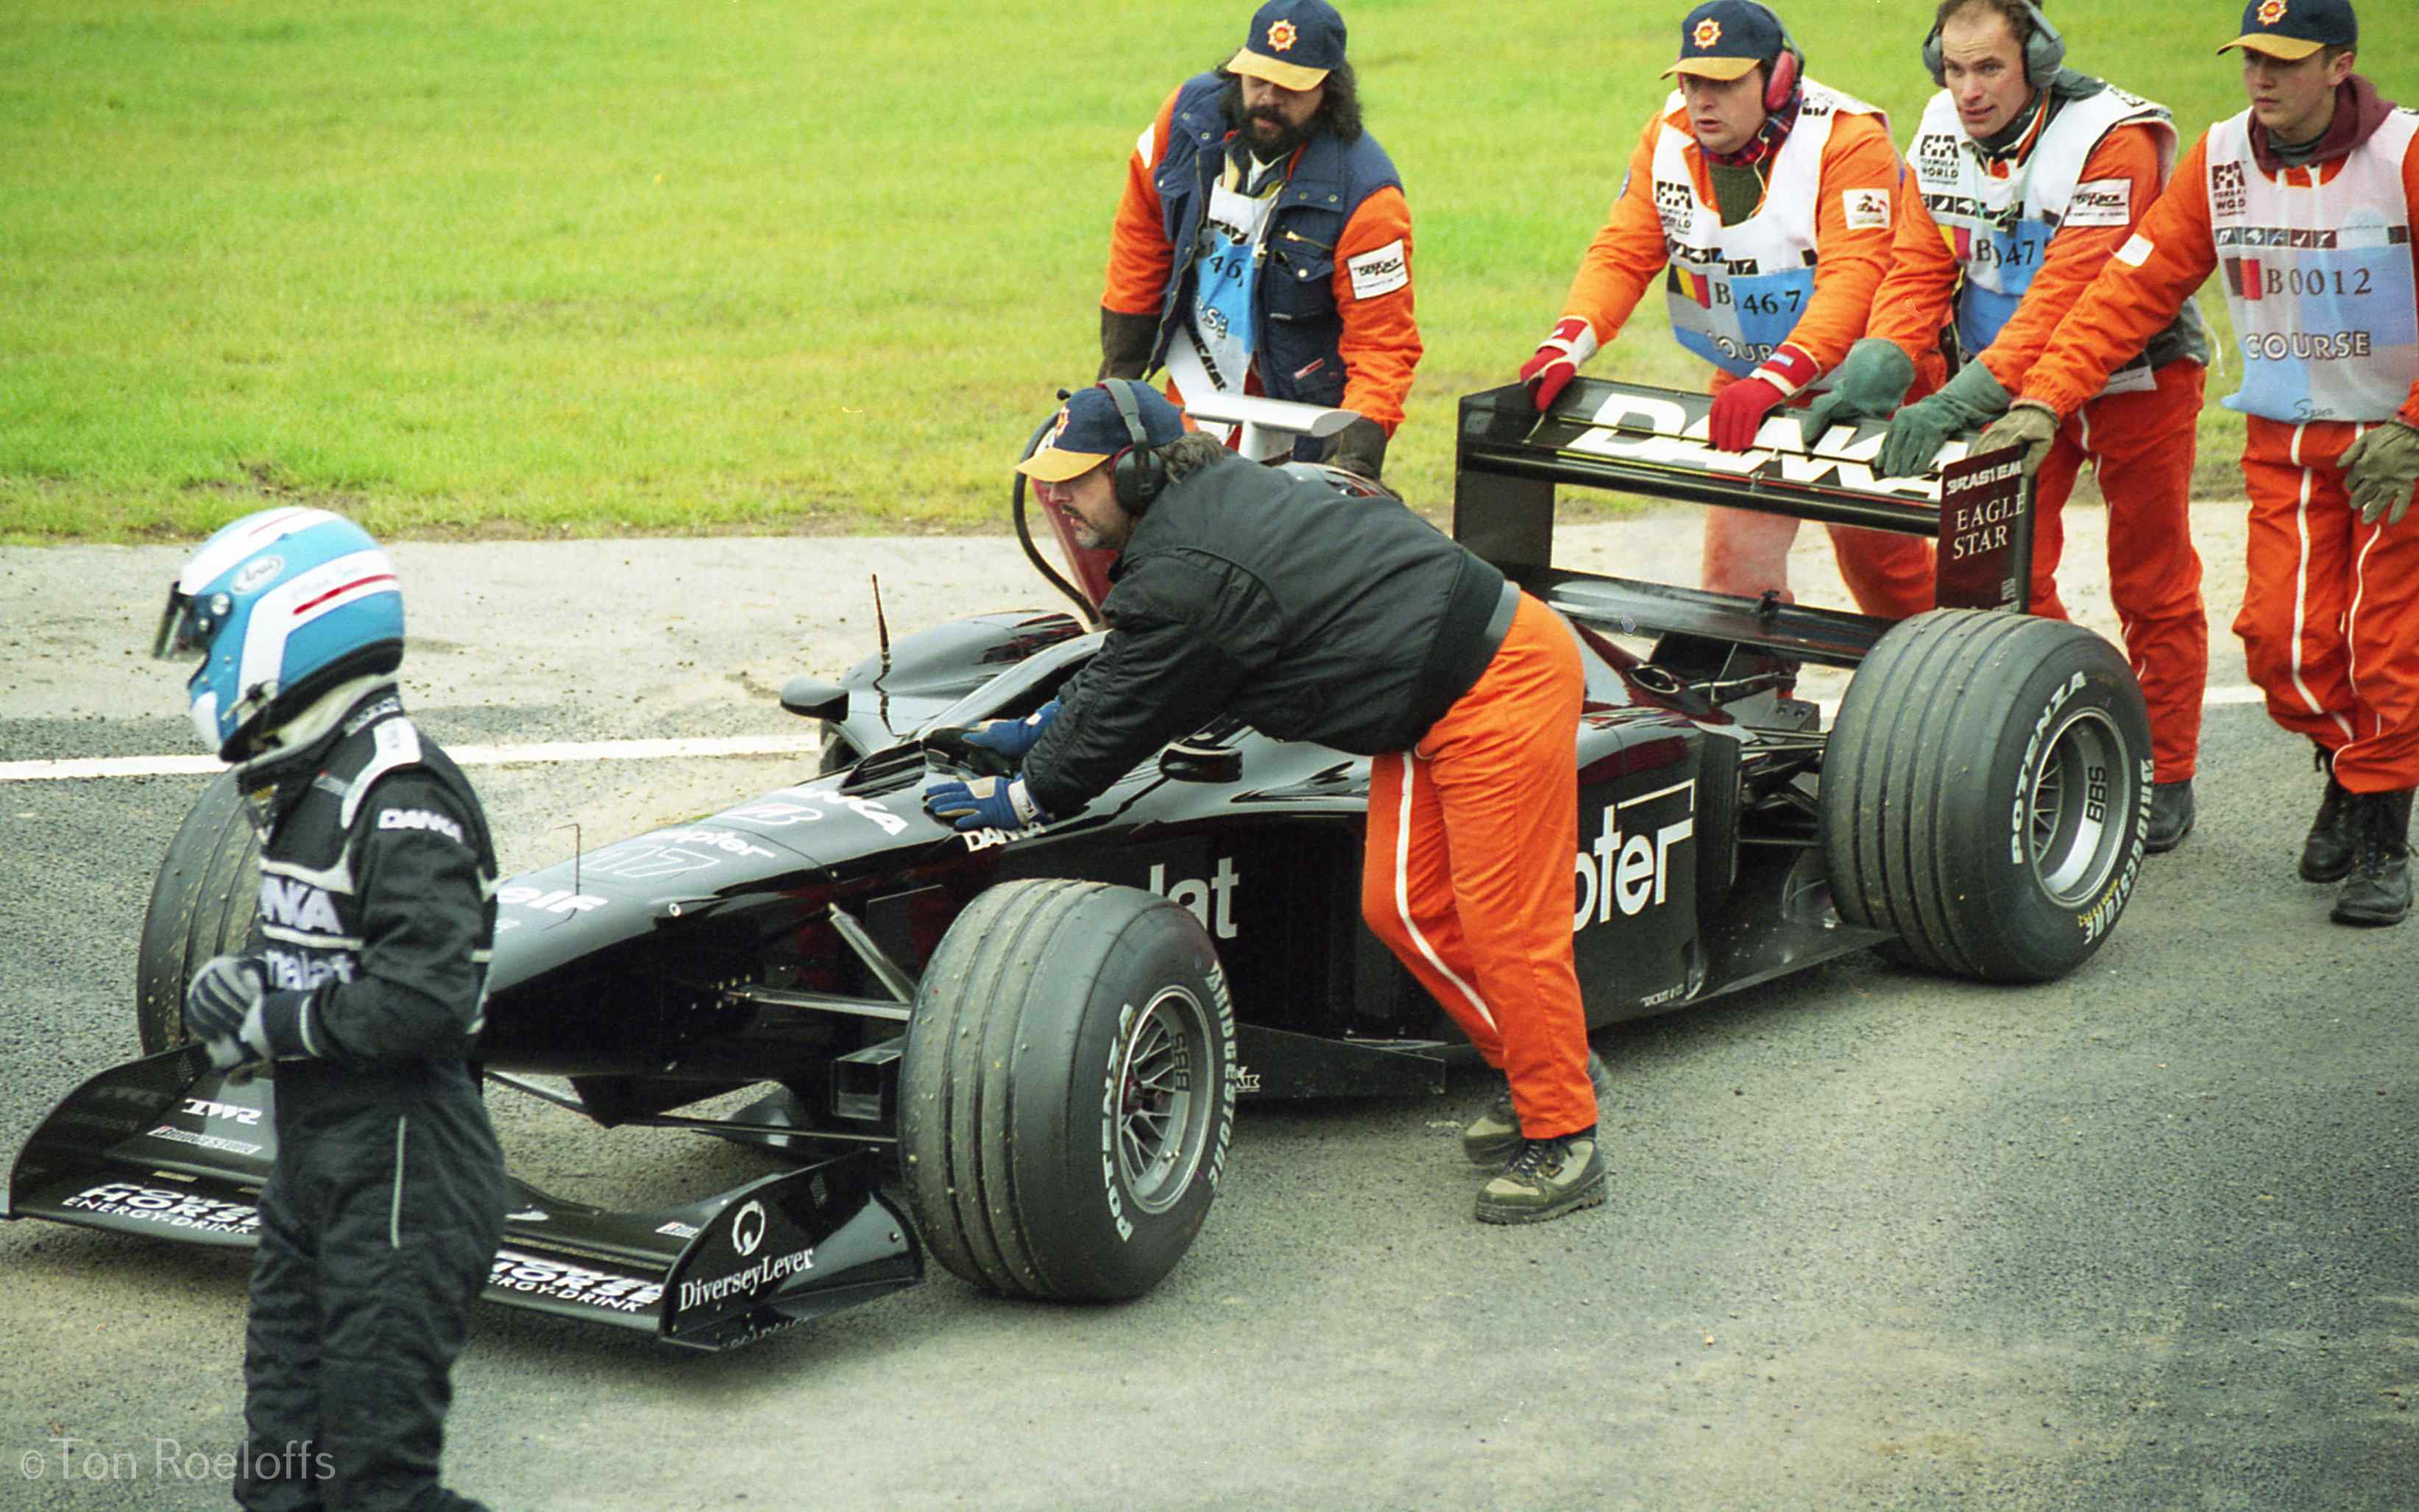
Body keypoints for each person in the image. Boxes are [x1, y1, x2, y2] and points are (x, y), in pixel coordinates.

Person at [924, 381, 1615, 1223]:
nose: (1058, 497)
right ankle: (1544, 1065)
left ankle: (1564, 1133)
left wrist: (1028, 794)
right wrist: (1039, 727)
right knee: (1402, 908)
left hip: (1497, 680)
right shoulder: (1192, 524)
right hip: (1436, 693)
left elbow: (1139, 697)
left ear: (1140, 473)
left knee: (1504, 924)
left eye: (1076, 477)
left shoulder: (1193, 564)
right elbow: (1137, 664)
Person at [1979, 0, 2419, 926]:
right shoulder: (2220, 158)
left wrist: (2413, 426)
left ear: (2339, 65)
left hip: (2395, 452)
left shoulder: (2404, 155)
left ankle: (2383, 832)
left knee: (2386, 652)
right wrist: (2042, 399)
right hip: (2285, 442)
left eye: (2285, 62)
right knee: (2277, 645)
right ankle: (2351, 767)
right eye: (2250, 59)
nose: (2260, 79)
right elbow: (2127, 290)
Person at [1800, 0, 2213, 852]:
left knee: (2150, 577)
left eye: (1987, 68)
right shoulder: (1940, 129)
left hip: (2135, 375)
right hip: (2001, 385)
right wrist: (1877, 363)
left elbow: (2067, 297)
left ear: (2038, 61)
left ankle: (2166, 769)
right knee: (2005, 578)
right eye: (1952, 70)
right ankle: (2074, 726)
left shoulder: (2116, 139)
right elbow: (1918, 263)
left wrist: (1954, 402)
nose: (1967, 89)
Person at [155, 506, 506, 1508]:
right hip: (318, 1161)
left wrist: (276, 1023)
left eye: (208, 638)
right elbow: (323, 949)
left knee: (373, 1488)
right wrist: (248, 980)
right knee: (279, 1475)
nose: (197, 667)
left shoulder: (400, 789)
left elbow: (429, 998)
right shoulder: (307, 776)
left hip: (408, 1166)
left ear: (285, 631)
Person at [1519, 0, 1937, 620]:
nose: (1701, 100)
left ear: (1777, 80)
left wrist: (1775, 379)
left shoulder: (1851, 141)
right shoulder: (1667, 136)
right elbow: (1621, 252)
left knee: (1885, 573)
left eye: (1722, 83)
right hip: (1748, 380)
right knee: (1733, 576)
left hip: (1868, 386)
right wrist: (1566, 342)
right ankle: (1754, 703)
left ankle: (1933, 689)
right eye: (1691, 81)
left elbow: (1857, 279)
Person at [1097, 0, 1417, 480]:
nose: (1268, 98)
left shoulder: (1369, 199)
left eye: (1290, 87)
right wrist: (1120, 374)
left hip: (1295, 411)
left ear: (1329, 92)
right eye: (1257, 78)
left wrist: (1352, 465)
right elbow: (1141, 234)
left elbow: (1381, 345)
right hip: (1191, 382)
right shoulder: (1184, 120)